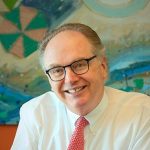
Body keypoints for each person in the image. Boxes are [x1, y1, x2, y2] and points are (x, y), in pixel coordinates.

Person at [11, 23, 150, 150]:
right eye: (57, 70)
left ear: (103, 66)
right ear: (49, 79)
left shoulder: (142, 113)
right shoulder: (35, 113)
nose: (70, 79)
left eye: (80, 64)